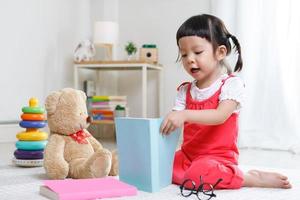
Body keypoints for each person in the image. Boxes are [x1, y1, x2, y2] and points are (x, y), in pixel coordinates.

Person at [160, 14, 291, 189]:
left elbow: (220, 116)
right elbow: (175, 120)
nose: (189, 59)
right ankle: (191, 171)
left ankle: (249, 178)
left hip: (217, 159)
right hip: (188, 156)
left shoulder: (231, 84)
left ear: (220, 52)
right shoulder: (185, 90)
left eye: (197, 52)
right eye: (184, 54)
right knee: (163, 166)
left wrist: (183, 114)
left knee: (199, 174)